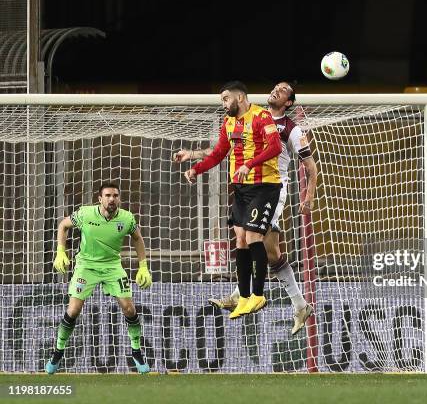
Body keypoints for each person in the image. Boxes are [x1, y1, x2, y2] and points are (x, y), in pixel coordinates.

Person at [175, 82, 318, 334]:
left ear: (289, 102)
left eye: (283, 90)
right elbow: (223, 148)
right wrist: (194, 156)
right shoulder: (250, 116)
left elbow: (310, 165)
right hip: (247, 186)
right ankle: (298, 304)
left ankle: (245, 294)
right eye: (276, 86)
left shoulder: (292, 129)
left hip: (273, 187)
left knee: (254, 239)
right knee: (268, 251)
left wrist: (309, 197)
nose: (276, 89)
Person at [181, 81, 282, 319]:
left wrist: (249, 164)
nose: (224, 104)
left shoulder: (262, 116)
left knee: (253, 236)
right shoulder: (228, 123)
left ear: (240, 96)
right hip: (241, 189)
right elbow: (218, 154)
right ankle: (244, 297)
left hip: (264, 186)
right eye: (222, 100)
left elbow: (275, 146)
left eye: (226, 98)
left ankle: (258, 295)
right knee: (240, 240)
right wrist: (196, 169)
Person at [46, 182, 152, 374]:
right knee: (74, 309)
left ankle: (136, 351)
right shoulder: (85, 214)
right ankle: (58, 351)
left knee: (129, 308)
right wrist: (61, 252)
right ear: (100, 199)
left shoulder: (127, 218)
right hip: (86, 265)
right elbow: (63, 225)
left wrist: (143, 266)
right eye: (108, 195)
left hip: (112, 266)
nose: (112, 199)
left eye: (115, 195)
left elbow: (137, 238)